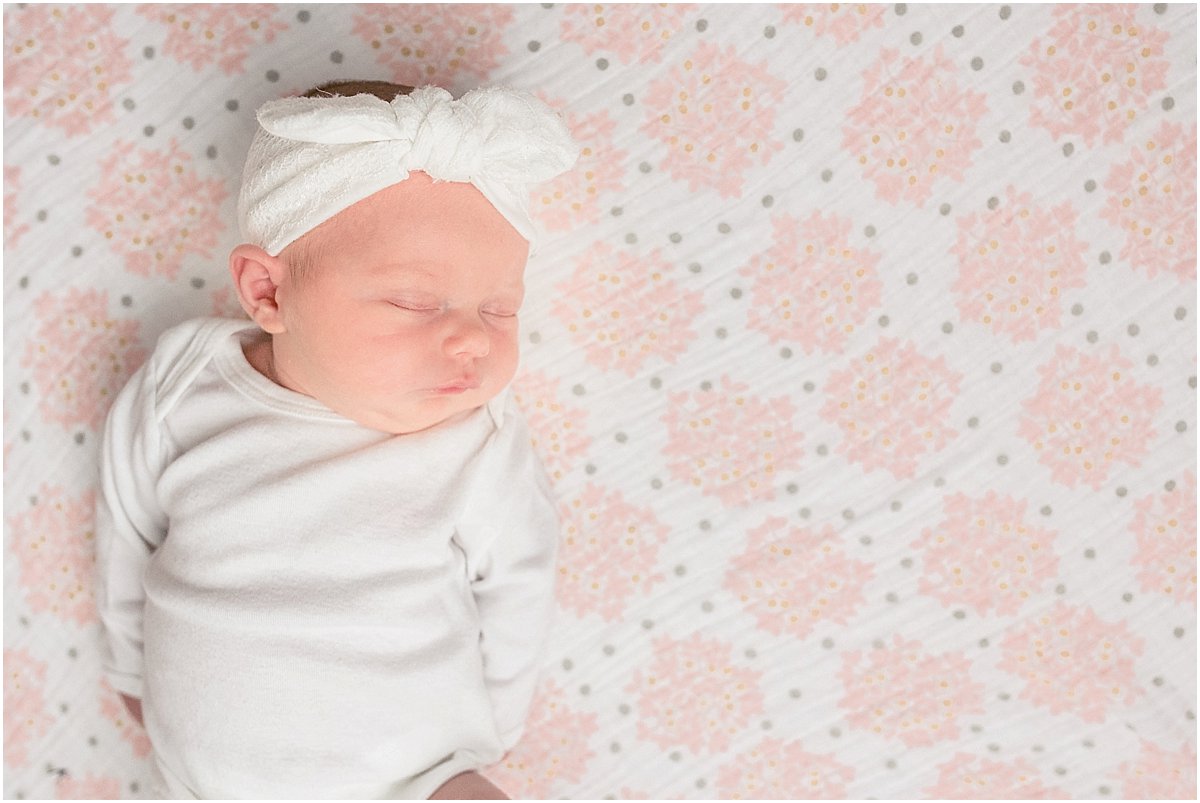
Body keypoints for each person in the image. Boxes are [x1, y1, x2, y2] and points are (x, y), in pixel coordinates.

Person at [94, 79, 579, 799]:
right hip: (210, 773)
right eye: (416, 301)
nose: (473, 339)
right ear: (268, 292)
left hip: (416, 771)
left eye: (500, 308)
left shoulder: (475, 444)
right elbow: (124, 528)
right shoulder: (188, 385)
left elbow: (521, 586)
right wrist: (129, 668)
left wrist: (491, 732)